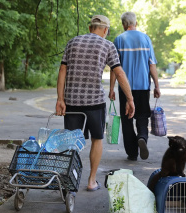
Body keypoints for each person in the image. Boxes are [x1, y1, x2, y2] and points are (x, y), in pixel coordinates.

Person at [55, 15, 135, 191]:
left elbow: (62, 70)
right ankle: (91, 181)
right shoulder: (107, 45)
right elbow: (120, 74)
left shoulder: (72, 42)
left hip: (72, 101)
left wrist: (60, 99)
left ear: (91, 27)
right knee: (97, 139)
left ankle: (68, 181)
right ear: (105, 30)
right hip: (94, 103)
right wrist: (130, 99)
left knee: (71, 142)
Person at [109, 12, 161, 161]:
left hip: (125, 89)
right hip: (143, 86)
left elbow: (115, 68)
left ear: (124, 24)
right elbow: (152, 65)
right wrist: (157, 86)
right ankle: (142, 138)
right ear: (135, 23)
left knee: (127, 120)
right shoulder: (145, 39)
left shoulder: (119, 40)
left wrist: (111, 88)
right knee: (142, 116)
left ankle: (132, 153)